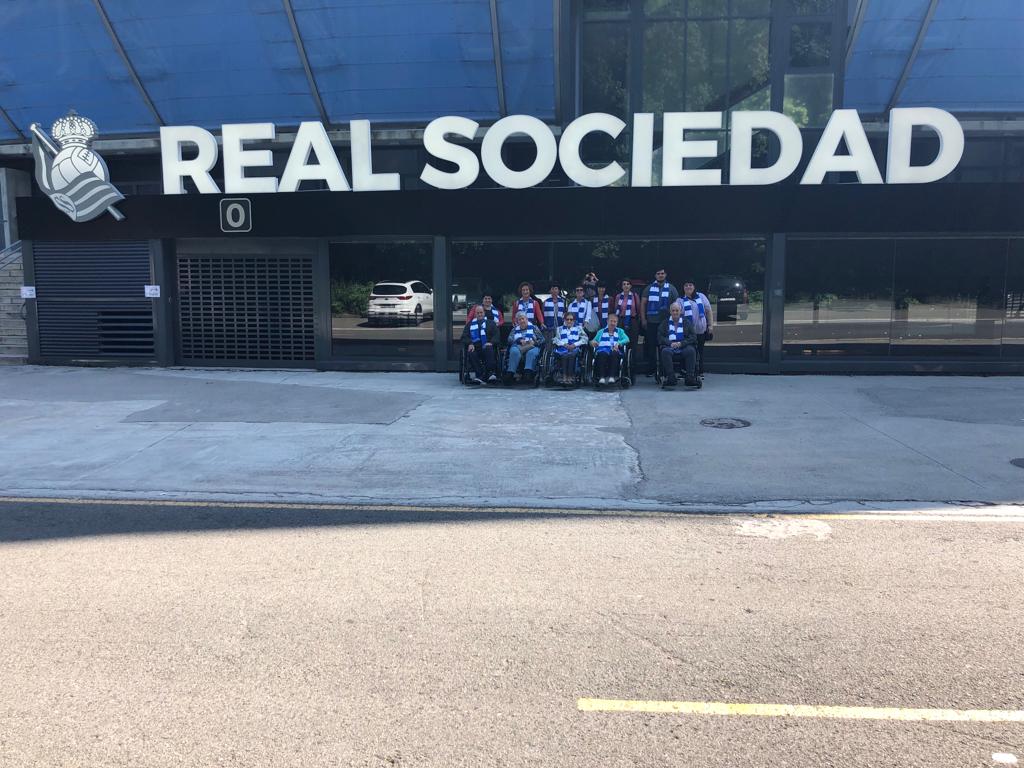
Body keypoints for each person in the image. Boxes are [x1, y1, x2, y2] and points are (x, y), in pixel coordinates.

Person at [640, 268, 679, 375]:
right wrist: (643, 319)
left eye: (662, 273)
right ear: (655, 275)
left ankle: (664, 369)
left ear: (665, 275)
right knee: (651, 346)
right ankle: (652, 369)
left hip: (666, 323)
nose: (660, 275)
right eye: (658, 273)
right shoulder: (648, 288)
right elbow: (643, 304)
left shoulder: (671, 288)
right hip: (651, 322)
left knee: (665, 345)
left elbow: (676, 305)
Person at [673, 279, 713, 377]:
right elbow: (676, 315)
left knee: (700, 351)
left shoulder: (701, 296)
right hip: (686, 332)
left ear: (694, 287)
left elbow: (708, 311)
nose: (688, 287)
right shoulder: (680, 300)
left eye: (690, 285)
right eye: (686, 285)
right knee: (686, 351)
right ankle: (684, 371)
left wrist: (710, 325)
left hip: (700, 330)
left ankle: (699, 371)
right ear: (683, 288)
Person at [658, 302, 698, 389]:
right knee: (665, 351)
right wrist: (670, 343)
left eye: (677, 310)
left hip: (683, 346)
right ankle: (671, 378)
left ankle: (689, 378)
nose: (675, 312)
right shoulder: (664, 323)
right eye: (673, 311)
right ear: (670, 312)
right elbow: (660, 337)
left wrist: (681, 343)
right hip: (670, 346)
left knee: (691, 351)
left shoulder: (686, 322)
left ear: (680, 311)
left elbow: (693, 337)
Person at [460, 305, 499, 384]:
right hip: (475, 347)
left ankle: (490, 373)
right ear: (475, 314)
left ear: (484, 313)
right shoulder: (470, 324)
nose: (479, 314)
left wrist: (491, 342)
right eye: (478, 313)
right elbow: (464, 337)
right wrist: (470, 343)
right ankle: (479, 375)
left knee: (489, 348)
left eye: (481, 312)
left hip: (487, 347)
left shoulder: (491, 323)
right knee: (471, 352)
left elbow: (497, 335)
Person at [590, 312, 630, 385]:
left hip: (615, 350)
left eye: (615, 321)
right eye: (611, 321)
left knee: (614, 354)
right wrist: (593, 342)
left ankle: (612, 377)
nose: (613, 323)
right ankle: (602, 377)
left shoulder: (620, 331)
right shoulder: (601, 331)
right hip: (603, 349)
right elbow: (593, 341)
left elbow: (627, 339)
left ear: (617, 323)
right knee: (602, 354)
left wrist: (619, 343)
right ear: (607, 321)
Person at [505, 311, 543, 384]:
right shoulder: (514, 329)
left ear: (526, 319)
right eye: (519, 320)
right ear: (517, 321)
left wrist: (535, 342)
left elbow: (542, 339)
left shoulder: (534, 328)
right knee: (514, 351)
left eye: (523, 319)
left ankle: (528, 373)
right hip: (518, 346)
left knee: (531, 353)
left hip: (532, 346)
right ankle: (510, 373)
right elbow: (509, 339)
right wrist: (519, 340)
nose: (522, 321)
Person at [551, 311, 588, 385]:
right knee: (565, 355)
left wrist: (575, 344)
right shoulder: (559, 329)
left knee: (571, 355)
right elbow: (555, 339)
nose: (569, 321)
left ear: (574, 320)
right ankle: (565, 377)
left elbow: (585, 339)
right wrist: (564, 344)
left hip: (575, 348)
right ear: (564, 320)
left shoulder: (579, 328)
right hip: (563, 348)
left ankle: (571, 376)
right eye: (567, 319)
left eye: (571, 319)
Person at [614, 278, 641, 348]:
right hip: (621, 321)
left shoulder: (635, 296)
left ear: (630, 286)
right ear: (622, 286)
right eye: (624, 284)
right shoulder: (618, 296)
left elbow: (638, 308)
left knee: (633, 340)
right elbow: (616, 309)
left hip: (632, 321)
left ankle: (632, 354)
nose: (626, 286)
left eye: (628, 284)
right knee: (621, 339)